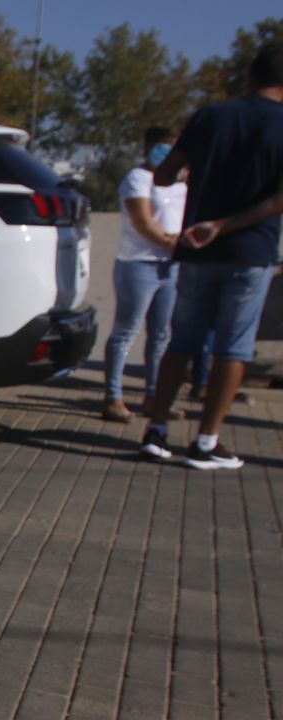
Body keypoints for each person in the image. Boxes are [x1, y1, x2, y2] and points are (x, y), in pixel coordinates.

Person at [141, 43, 283, 469]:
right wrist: (224, 225)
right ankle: (206, 440)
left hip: (197, 252)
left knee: (180, 340)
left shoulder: (212, 116)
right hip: (250, 251)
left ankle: (157, 430)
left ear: (250, 76)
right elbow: (278, 200)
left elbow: (165, 173)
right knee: (232, 349)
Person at [101, 127, 185, 422]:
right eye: (163, 146)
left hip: (170, 267)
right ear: (149, 146)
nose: (167, 152)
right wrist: (175, 243)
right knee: (126, 331)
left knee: (162, 335)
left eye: (173, 146)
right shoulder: (138, 178)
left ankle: (154, 396)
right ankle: (113, 397)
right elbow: (142, 222)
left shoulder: (182, 183)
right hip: (138, 265)